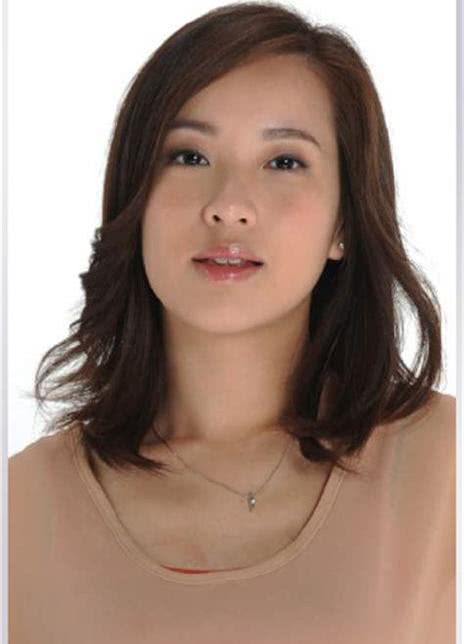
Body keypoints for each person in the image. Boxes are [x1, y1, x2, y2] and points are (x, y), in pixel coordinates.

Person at [9, 2, 455, 643]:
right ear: (135, 198)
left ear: (345, 224)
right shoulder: (21, 507)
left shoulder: (445, 465)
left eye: (284, 162)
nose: (229, 207)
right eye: (189, 157)